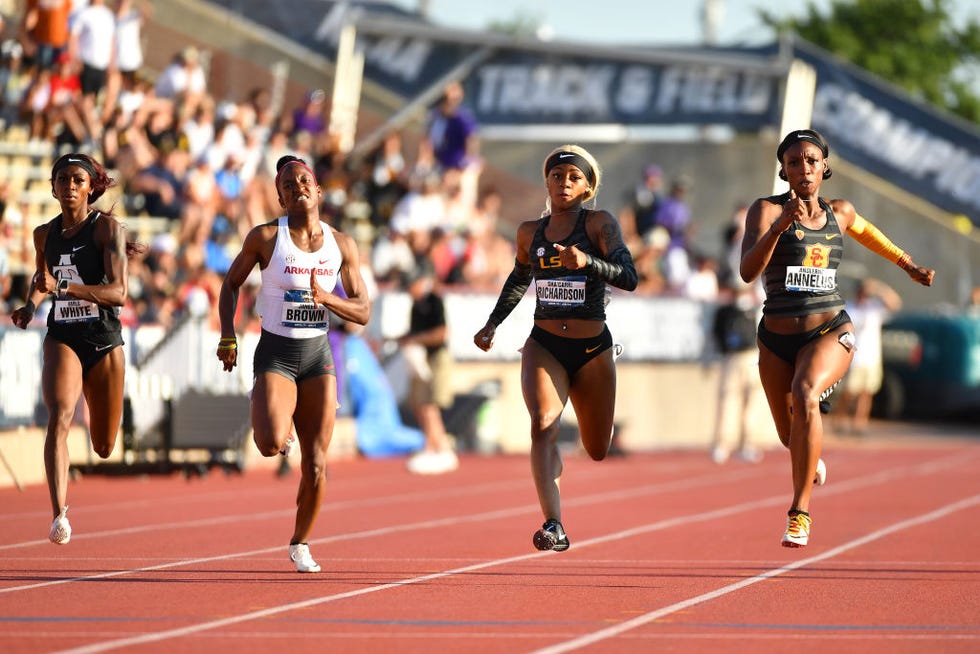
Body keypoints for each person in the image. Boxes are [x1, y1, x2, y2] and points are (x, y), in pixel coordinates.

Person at [739, 129, 934, 548]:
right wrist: (780, 226)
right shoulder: (766, 210)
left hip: (830, 329)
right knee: (787, 434)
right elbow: (748, 271)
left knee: (805, 393)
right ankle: (810, 458)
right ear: (784, 170)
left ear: (824, 166)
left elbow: (868, 234)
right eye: (794, 162)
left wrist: (908, 266)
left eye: (811, 160)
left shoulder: (840, 211)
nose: (803, 168)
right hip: (775, 336)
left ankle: (799, 514)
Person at [473, 144, 637, 552]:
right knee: (543, 425)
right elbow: (518, 279)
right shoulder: (531, 232)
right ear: (546, 181)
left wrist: (588, 262)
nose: (564, 183)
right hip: (543, 343)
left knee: (597, 449)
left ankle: (581, 443)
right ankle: (554, 524)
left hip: (592, 348)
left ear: (587, 187)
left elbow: (630, 276)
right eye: (557, 176)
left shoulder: (600, 224)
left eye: (574, 178)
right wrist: (492, 324)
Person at [216, 154, 370, 573]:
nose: (297, 186)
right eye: (287, 185)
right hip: (277, 353)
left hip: (317, 356)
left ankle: (301, 542)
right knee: (268, 445)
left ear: (318, 190)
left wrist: (330, 299)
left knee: (317, 462)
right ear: (281, 198)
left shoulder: (343, 245)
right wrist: (228, 334)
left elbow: (362, 310)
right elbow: (230, 285)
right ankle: (277, 425)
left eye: (304, 180)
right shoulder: (266, 238)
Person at [10, 152, 144, 545]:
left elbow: (119, 293)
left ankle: (92, 455)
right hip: (63, 335)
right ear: (52, 188)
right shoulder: (43, 235)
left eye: (77, 180)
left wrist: (62, 289)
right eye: (62, 179)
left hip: (102, 340)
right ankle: (58, 515)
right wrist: (31, 306)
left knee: (103, 446)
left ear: (90, 187)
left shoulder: (107, 230)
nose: (69, 186)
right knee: (60, 415)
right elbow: (42, 278)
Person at [397, 261, 459, 475]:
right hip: (421, 358)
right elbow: (414, 332)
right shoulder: (415, 305)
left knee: (431, 403)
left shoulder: (434, 300)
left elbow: (441, 332)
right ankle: (434, 444)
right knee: (420, 403)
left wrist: (415, 339)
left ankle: (437, 446)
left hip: (437, 356)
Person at [836, 278, 902, 435]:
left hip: (871, 358)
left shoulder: (875, 308)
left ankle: (860, 423)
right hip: (854, 358)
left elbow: (895, 303)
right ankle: (840, 419)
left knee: (866, 392)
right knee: (849, 391)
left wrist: (879, 288)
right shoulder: (849, 308)